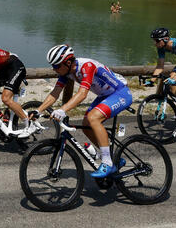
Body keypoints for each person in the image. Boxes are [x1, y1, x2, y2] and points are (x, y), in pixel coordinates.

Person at [30, 44, 132, 178]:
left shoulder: (86, 66)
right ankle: (114, 158)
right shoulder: (66, 72)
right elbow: (55, 93)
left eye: (56, 66)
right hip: (105, 96)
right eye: (53, 66)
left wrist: (62, 110)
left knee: (93, 118)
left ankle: (107, 162)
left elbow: (82, 94)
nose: (54, 70)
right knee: (86, 125)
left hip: (120, 94)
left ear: (67, 62)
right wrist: (38, 111)